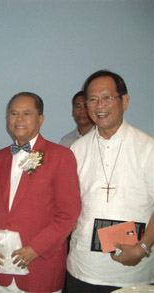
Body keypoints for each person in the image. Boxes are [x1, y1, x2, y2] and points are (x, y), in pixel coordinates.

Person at [66, 70, 154, 292]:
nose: (99, 105)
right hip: (82, 267)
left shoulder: (147, 148)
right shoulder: (77, 148)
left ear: (124, 101)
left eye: (107, 97)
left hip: (132, 271)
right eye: (92, 99)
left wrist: (143, 247)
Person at [0, 92, 81, 292]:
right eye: (13, 113)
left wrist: (35, 248)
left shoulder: (60, 156)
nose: (19, 119)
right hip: (3, 264)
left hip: (40, 265)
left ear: (41, 119)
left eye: (27, 113)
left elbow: (68, 213)